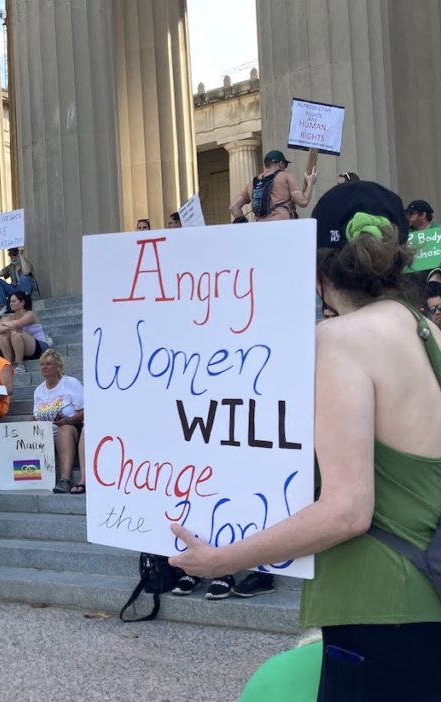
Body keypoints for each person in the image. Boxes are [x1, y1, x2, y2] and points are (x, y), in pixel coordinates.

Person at [170, 181, 441, 700]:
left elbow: (347, 510)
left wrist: (222, 560)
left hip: (376, 611)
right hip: (428, 599)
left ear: (317, 271)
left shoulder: (339, 340)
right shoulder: (424, 330)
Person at [32, 350, 85, 494]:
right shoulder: (38, 390)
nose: (44, 367)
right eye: (42, 364)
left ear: (58, 366)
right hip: (45, 430)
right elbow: (35, 415)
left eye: (49, 364)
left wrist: (67, 420)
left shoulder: (70, 383)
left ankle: (65, 479)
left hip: (72, 428)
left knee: (64, 430)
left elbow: (85, 411)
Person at [229, 149, 317, 222]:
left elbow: (233, 207)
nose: (285, 167)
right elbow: (303, 201)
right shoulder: (286, 177)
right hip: (282, 225)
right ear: (281, 163)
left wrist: (245, 224)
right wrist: (310, 183)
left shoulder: (252, 184)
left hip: (260, 228)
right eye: (285, 165)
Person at [0, 291, 48, 373]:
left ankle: (19, 365)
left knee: (16, 334)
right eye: (10, 301)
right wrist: (9, 326)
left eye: (14, 301)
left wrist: (4, 324)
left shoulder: (30, 314)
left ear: (22, 302)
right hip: (21, 349)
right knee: (1, 336)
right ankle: (8, 365)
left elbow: (18, 324)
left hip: (39, 347)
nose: (11, 304)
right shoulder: (10, 317)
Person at [0, 247, 35, 313]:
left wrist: (21, 254)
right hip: (15, 290)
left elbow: (26, 272)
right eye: (10, 254)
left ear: (18, 253)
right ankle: (3, 306)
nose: (12, 256)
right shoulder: (11, 266)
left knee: (24, 277)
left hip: (26, 290)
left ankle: (25, 301)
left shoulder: (26, 263)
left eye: (14, 254)